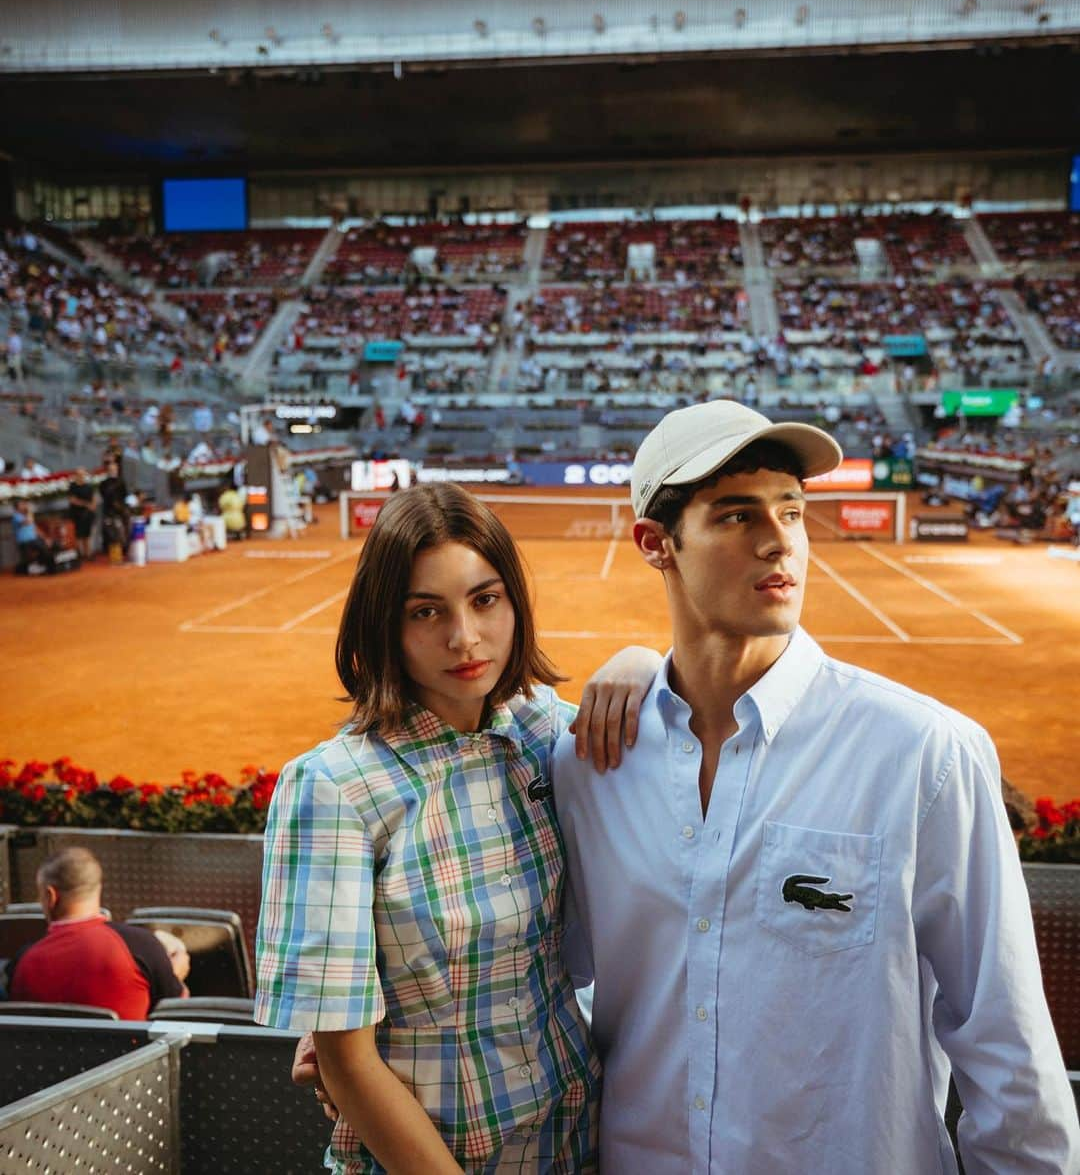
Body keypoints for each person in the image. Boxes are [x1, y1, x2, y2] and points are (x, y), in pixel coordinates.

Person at [552, 399, 1080, 1175]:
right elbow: (558, 985)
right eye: (735, 516)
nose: (778, 540)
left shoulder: (926, 756)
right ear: (656, 545)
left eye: (792, 511)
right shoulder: (591, 764)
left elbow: (1005, 1045)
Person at [256, 483, 658, 1174]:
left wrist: (646, 662)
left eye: (484, 599)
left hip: (580, 1147)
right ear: (385, 622)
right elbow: (345, 1064)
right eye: (425, 611)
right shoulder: (333, 789)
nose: (464, 639)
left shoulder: (547, 734)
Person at [9, 847, 185, 1020]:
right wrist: (175, 974)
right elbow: (176, 1012)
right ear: (97, 888)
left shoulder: (22, 962)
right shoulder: (141, 945)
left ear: (50, 896)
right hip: (128, 1049)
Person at [67, 466, 98, 561]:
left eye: (83, 474)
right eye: (79, 474)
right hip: (77, 514)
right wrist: (86, 504)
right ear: (76, 475)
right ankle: (79, 553)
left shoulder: (89, 486)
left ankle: (88, 553)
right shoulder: (73, 486)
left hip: (88, 514)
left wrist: (92, 506)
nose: (81, 476)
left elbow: (93, 499)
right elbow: (72, 500)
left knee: (87, 534)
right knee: (78, 535)